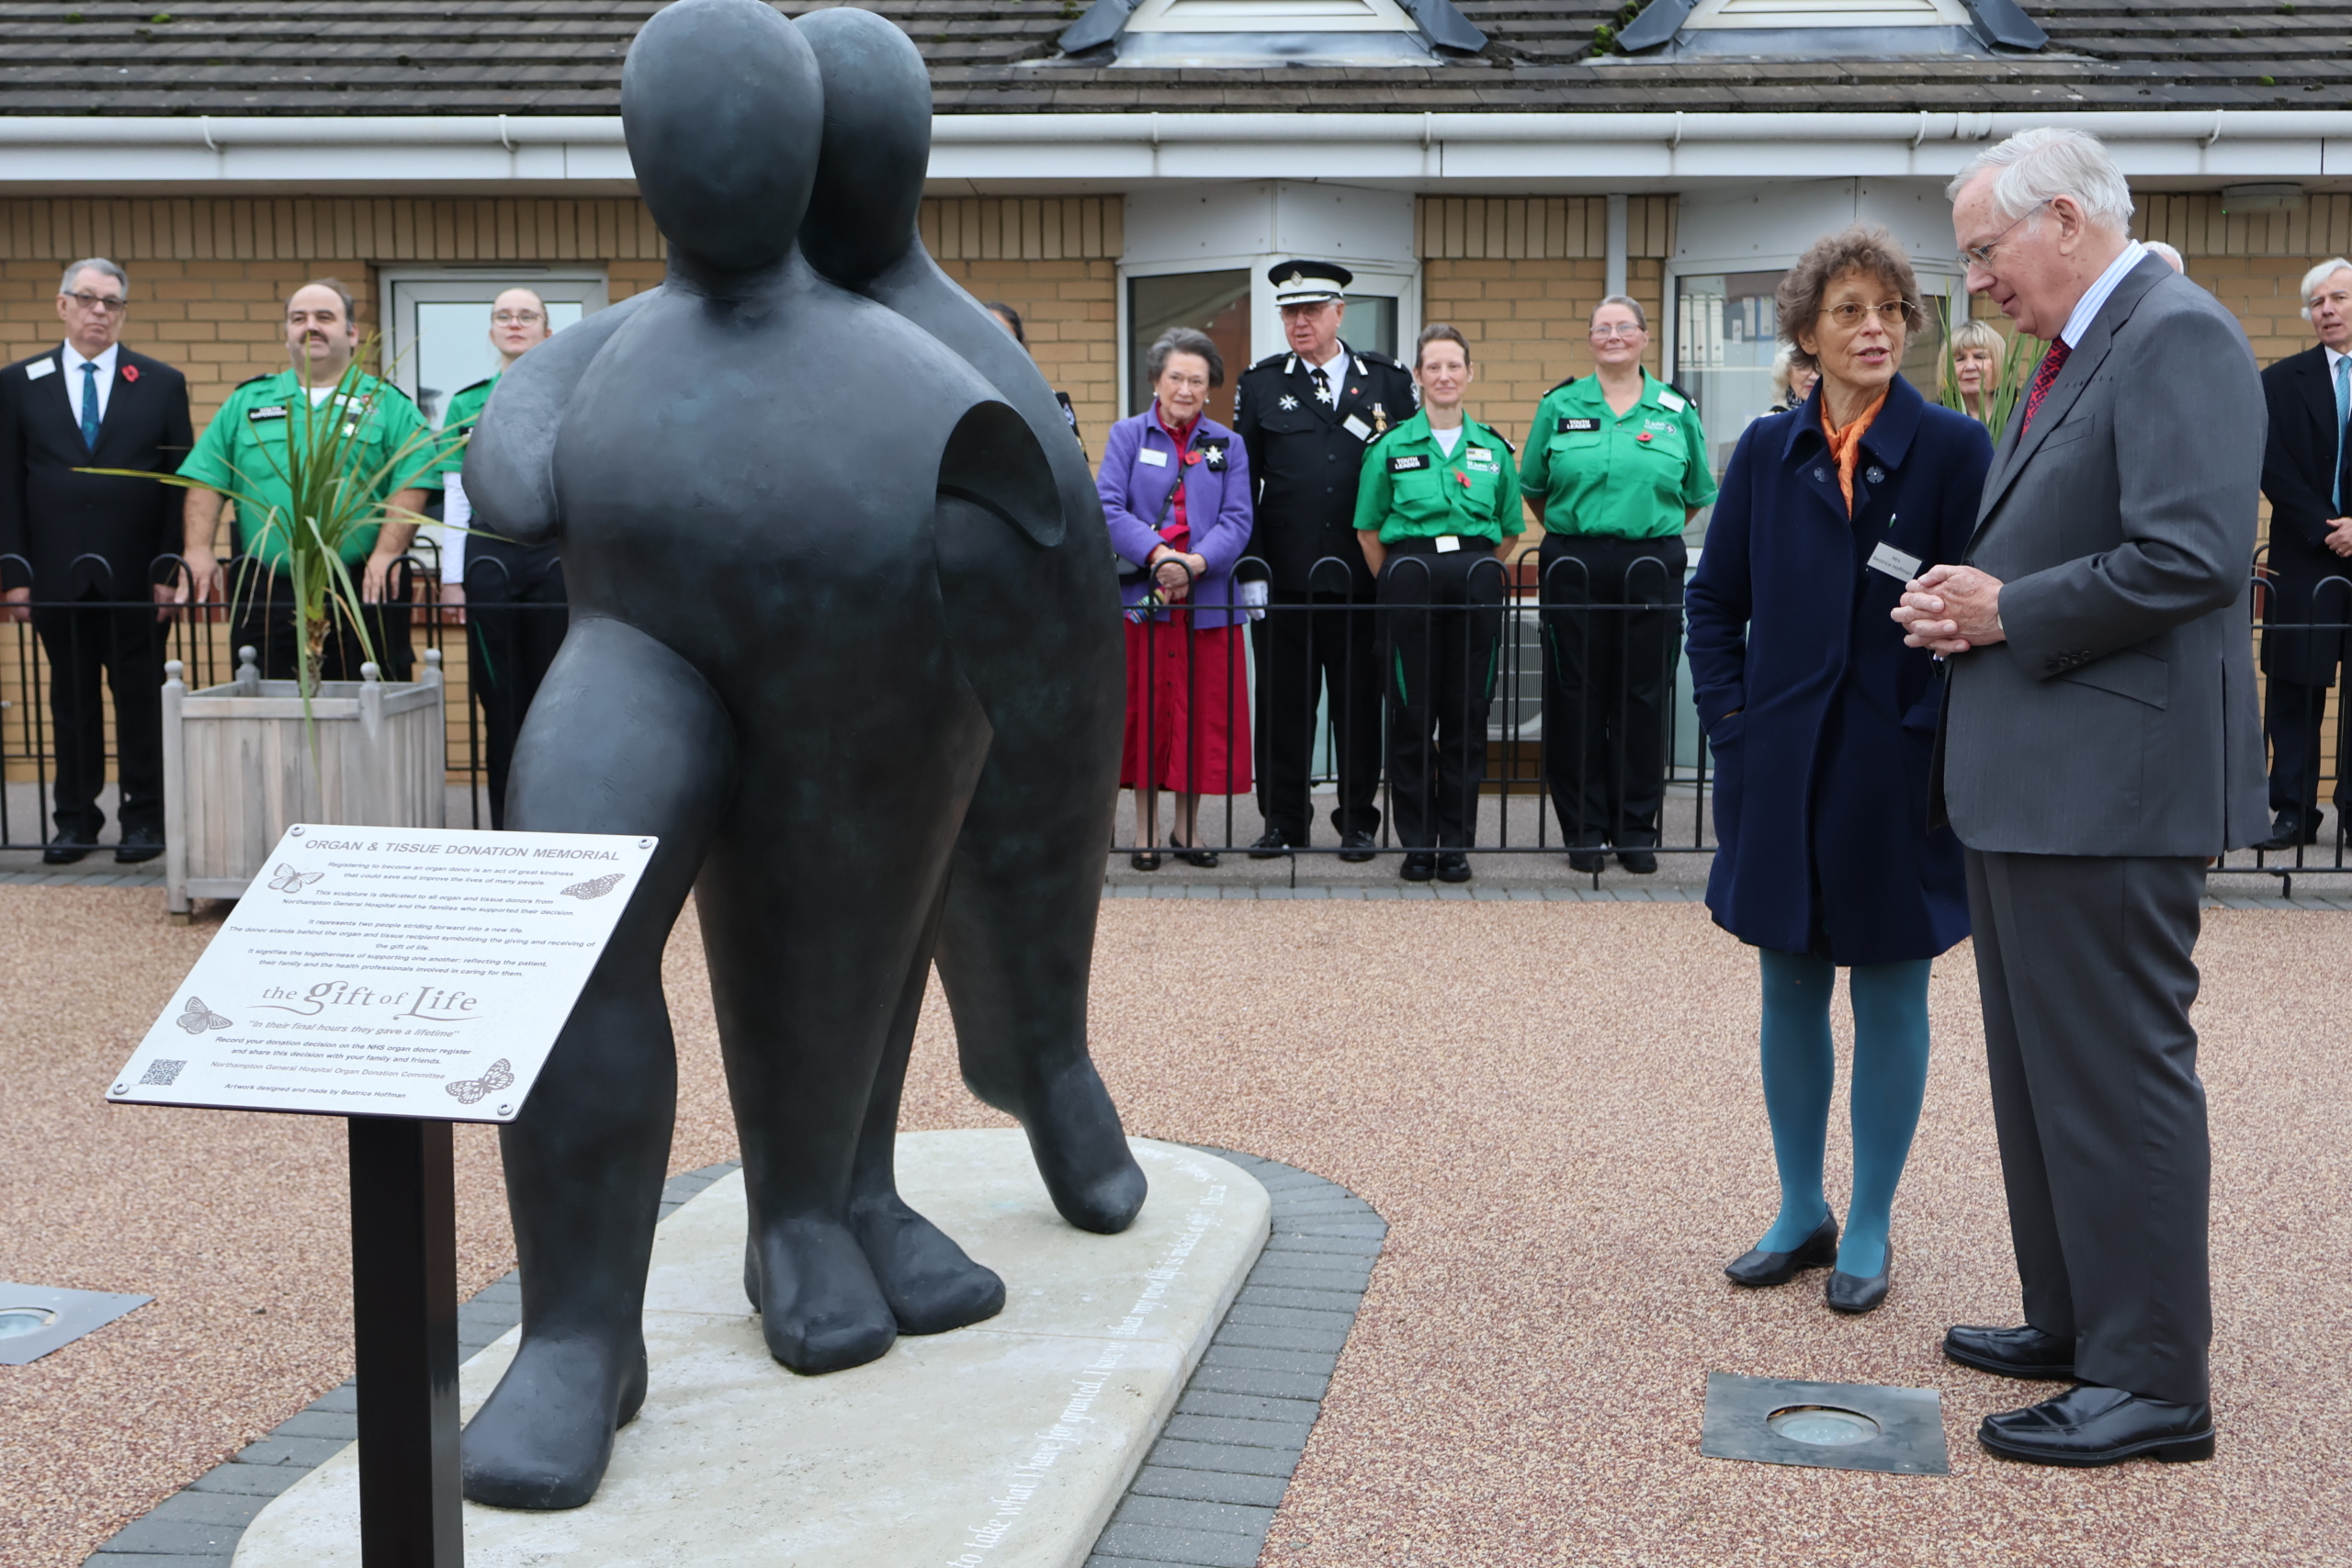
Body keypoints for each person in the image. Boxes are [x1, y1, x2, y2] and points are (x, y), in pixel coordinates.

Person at [1898, 127, 2266, 1467]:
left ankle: (2154, 1378)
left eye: (1986, 251)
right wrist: (1971, 596)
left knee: (2113, 1076)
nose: (1980, 281)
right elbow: (2073, 537)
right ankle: (2075, 1320)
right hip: (2044, 787)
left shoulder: (2177, 334)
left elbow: (2194, 556)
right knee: (2044, 1078)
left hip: (2112, 789)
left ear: (2063, 220)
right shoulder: (2080, 349)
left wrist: (2009, 611)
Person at [1689, 226, 1993, 1314]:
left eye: (1890, 311)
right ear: (1806, 333)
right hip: (1776, 763)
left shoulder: (1956, 451)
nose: (1874, 329)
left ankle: (1867, 1222)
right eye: (1849, 312)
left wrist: (1928, 728)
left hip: (1895, 767)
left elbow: (1984, 606)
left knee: (1892, 984)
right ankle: (1797, 1207)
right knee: (1787, 981)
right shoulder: (1765, 453)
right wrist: (1730, 723)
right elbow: (1714, 603)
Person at [0, 258, 193, 864]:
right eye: (86, 299)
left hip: (136, 575)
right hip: (56, 575)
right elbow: (7, 483)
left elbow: (178, 483)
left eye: (111, 301)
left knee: (140, 698)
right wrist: (12, 574)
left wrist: (167, 572)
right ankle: (75, 822)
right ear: (62, 305)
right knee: (70, 699)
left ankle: (145, 821)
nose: (99, 311)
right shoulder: (17, 383)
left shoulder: (160, 382)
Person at [1520, 296, 1717, 874]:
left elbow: (1694, 495)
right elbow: (1534, 486)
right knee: (1575, 694)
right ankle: (1582, 828)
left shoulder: (1675, 409)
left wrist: (1642, 538)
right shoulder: (1559, 406)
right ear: (1590, 339)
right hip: (1574, 563)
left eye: (1623, 326)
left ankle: (1636, 830)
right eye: (1602, 328)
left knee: (1642, 696)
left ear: (1644, 337)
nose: (1612, 336)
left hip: (1650, 564)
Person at [1234, 260, 1418, 863]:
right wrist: (1254, 569)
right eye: (1290, 312)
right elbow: (1245, 486)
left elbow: (1408, 480)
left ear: (1340, 312)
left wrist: (1396, 568)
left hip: (1362, 578)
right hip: (1287, 579)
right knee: (1283, 706)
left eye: (1311, 310)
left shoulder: (1388, 382)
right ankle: (1284, 820)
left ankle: (1358, 821)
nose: (1299, 322)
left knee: (1360, 705)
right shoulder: (1261, 385)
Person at [175, 279, 435, 681]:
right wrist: (197, 550)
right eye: (299, 319)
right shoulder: (249, 402)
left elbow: (413, 478)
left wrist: (387, 553)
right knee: (265, 704)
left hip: (360, 586)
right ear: (287, 335)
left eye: (324, 317)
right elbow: (207, 476)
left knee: (368, 704)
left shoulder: (386, 404)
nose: (310, 327)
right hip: (267, 591)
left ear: (351, 333)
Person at [1352, 325, 1521, 883]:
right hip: (1410, 582)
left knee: (1467, 718)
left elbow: (1508, 531)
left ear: (1469, 374)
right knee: (1411, 716)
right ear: (1419, 377)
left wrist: (1464, 569)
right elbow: (1369, 530)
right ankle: (1418, 843)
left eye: (1454, 366)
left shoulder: (1494, 449)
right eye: (1433, 367)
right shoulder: (1391, 446)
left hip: (1474, 581)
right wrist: (1404, 579)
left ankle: (1456, 844)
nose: (1444, 376)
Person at [1098, 327, 1254, 869]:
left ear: (1209, 387)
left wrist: (1195, 563)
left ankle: (1187, 831)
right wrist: (1161, 557)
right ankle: (1144, 831)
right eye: (1175, 378)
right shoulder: (1126, 436)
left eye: (1197, 380)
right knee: (1145, 713)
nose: (1185, 389)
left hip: (1206, 601)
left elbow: (1238, 519)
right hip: (1145, 598)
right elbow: (1109, 508)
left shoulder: (1228, 445)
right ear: (1156, 381)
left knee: (1199, 715)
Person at [427, 288, 566, 829]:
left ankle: (559, 825)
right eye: (503, 317)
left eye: (526, 316)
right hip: (491, 562)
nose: (514, 324)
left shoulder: (573, 393)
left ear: (547, 332)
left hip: (556, 559)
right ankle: (506, 832)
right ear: (491, 332)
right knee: (500, 702)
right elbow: (457, 495)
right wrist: (452, 578)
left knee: (557, 699)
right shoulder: (466, 403)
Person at [2254, 257, 2352, 851]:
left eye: (2338, 298)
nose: (2328, 310)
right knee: (2293, 690)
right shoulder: (2281, 381)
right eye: (2317, 303)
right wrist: (2325, 527)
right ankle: (2293, 810)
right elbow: (2271, 465)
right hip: (2305, 553)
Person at [984, 300, 1082, 451]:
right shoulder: (956, 400)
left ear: (1020, 345)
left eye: (1004, 337)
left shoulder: (1052, 403)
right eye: (985, 335)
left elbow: (1074, 466)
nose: (995, 347)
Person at [1947, 317, 2007, 423]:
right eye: (1960, 359)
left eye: (1980, 357)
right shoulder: (1939, 418)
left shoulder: (2021, 410)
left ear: (1998, 362)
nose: (1970, 367)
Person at [1766, 343, 1816, 413]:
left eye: (1820, 368)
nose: (1814, 376)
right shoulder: (1771, 421)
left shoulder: (1832, 420)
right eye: (1804, 367)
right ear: (1787, 372)